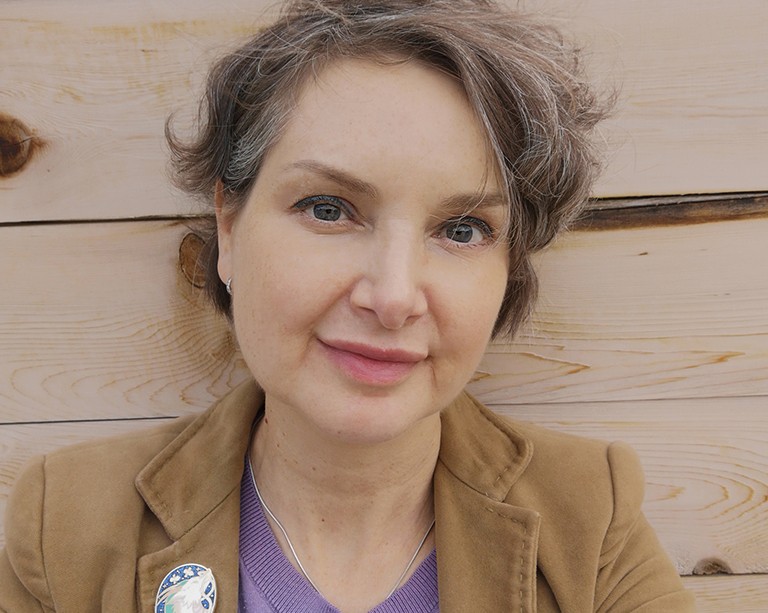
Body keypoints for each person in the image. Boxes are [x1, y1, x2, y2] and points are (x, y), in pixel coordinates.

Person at [1, 0, 696, 611]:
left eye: (461, 229)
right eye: (329, 209)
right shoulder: (66, 521)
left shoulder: (590, 514)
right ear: (231, 227)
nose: (392, 296)